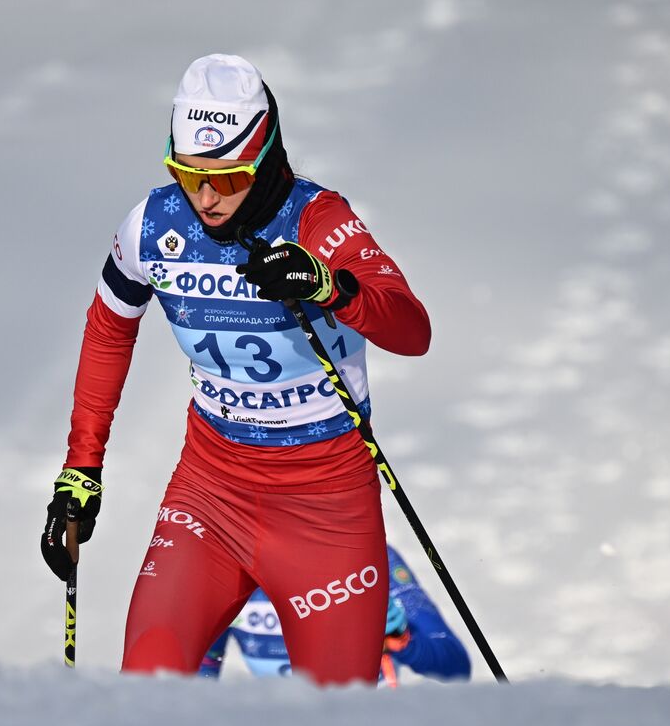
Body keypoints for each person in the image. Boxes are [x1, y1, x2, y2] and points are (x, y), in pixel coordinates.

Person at [39, 54, 431, 685]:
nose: (204, 197)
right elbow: (109, 327)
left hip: (325, 507)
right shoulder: (153, 225)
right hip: (209, 493)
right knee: (146, 689)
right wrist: (81, 469)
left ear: (267, 158)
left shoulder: (319, 220)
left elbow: (413, 330)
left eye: (227, 178)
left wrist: (330, 285)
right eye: (187, 173)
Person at [200, 546, 471, 683]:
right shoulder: (227, 572)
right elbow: (192, 686)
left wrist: (402, 639)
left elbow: (456, 666)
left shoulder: (373, 557)